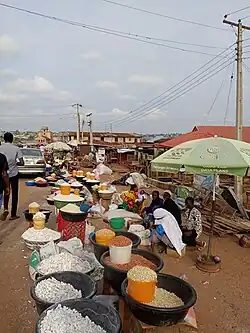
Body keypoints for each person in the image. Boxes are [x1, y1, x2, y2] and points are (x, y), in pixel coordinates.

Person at [0, 132, 24, 221]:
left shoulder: (0, 148)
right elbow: (22, 162)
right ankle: (13, 214)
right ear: (12, 139)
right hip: (14, 173)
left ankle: (5, 208)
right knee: (14, 194)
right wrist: (15, 162)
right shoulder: (16, 148)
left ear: (4, 139)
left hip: (2, 174)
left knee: (5, 192)